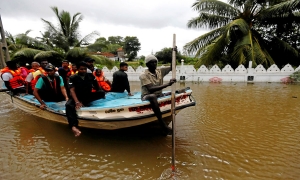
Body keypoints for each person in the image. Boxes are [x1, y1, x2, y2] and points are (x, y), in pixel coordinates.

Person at [139, 55, 176, 135]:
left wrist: (173, 55)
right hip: (147, 96)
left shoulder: (160, 71)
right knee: (152, 96)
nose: (154, 64)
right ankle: (162, 123)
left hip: (159, 94)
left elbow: (172, 67)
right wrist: (168, 84)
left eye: (155, 62)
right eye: (152, 62)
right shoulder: (143, 75)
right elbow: (151, 89)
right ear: (147, 65)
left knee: (174, 92)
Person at [65, 61, 105, 137]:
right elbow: (72, 90)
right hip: (77, 96)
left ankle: (84, 102)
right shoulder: (72, 78)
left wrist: (101, 92)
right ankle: (73, 126)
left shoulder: (91, 76)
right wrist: (77, 102)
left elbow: (97, 87)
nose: (83, 71)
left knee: (101, 93)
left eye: (85, 69)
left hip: (87, 95)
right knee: (68, 105)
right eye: (81, 69)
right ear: (77, 69)